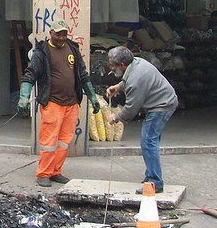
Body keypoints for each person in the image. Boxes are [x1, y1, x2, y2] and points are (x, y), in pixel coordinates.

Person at [17, 20, 100, 187]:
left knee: (64, 141)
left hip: (71, 103)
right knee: (49, 141)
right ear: (51, 34)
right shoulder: (42, 52)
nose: (61, 37)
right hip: (53, 102)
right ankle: (43, 173)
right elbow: (30, 74)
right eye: (58, 34)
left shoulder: (73, 49)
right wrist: (23, 97)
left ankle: (56, 171)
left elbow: (83, 75)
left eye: (64, 34)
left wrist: (92, 97)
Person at [106, 46, 177, 194]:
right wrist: (118, 87)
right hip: (164, 101)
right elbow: (126, 80)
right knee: (151, 141)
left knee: (148, 142)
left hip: (161, 106)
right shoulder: (136, 62)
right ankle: (151, 175)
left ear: (123, 64)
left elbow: (131, 109)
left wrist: (116, 117)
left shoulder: (135, 80)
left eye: (113, 65)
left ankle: (155, 182)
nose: (111, 68)